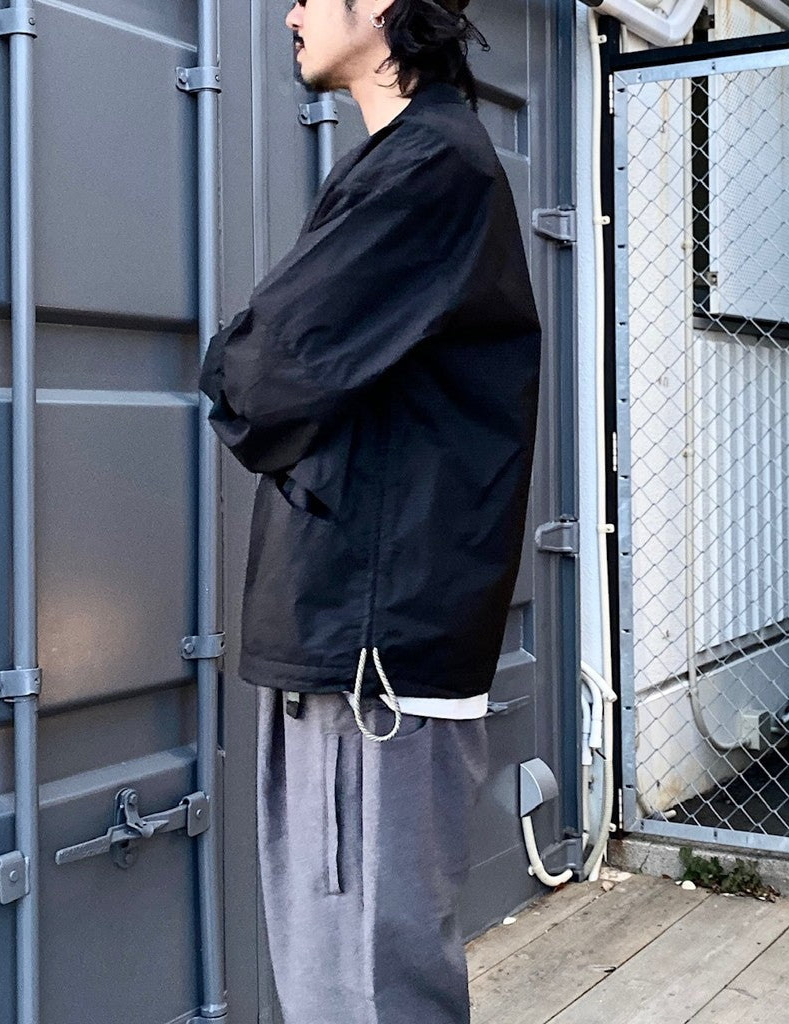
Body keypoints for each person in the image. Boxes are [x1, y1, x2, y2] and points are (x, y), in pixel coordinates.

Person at [197, 1, 543, 1021]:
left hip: (370, 654)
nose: (291, 14)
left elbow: (263, 369)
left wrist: (232, 365)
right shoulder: (416, 160)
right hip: (354, 633)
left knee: (363, 982)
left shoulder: (430, 166)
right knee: (342, 972)